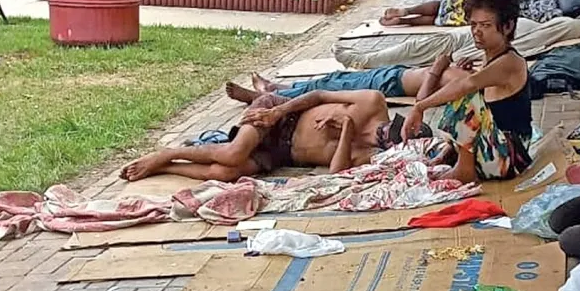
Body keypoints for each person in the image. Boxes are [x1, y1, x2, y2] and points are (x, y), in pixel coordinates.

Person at [120, 89, 433, 183]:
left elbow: (338, 172)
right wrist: (277, 113)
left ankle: (167, 166)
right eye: (385, 128)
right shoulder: (372, 102)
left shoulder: (368, 153)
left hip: (282, 154)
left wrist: (349, 129)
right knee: (232, 154)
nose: (376, 134)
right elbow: (319, 94)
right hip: (281, 116)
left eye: (383, 138)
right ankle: (165, 152)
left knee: (225, 173)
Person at [401, 0, 533, 184]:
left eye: (486, 25)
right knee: (465, 90)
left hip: (511, 157)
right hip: (495, 151)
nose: (477, 31)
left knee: (466, 94)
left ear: (508, 26)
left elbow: (468, 85)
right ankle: (454, 156)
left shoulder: (510, 61)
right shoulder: (489, 58)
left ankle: (464, 170)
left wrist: (420, 107)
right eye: (474, 25)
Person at [224, 58, 472, 106]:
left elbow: (423, 100)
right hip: (391, 75)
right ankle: (277, 88)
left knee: (325, 88)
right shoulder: (471, 80)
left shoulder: (468, 88)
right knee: (332, 79)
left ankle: (263, 97)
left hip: (387, 85)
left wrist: (438, 69)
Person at [380, 0, 476, 27]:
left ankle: (406, 11)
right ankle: (402, 21)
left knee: (441, 5)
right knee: (437, 19)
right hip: (478, 10)